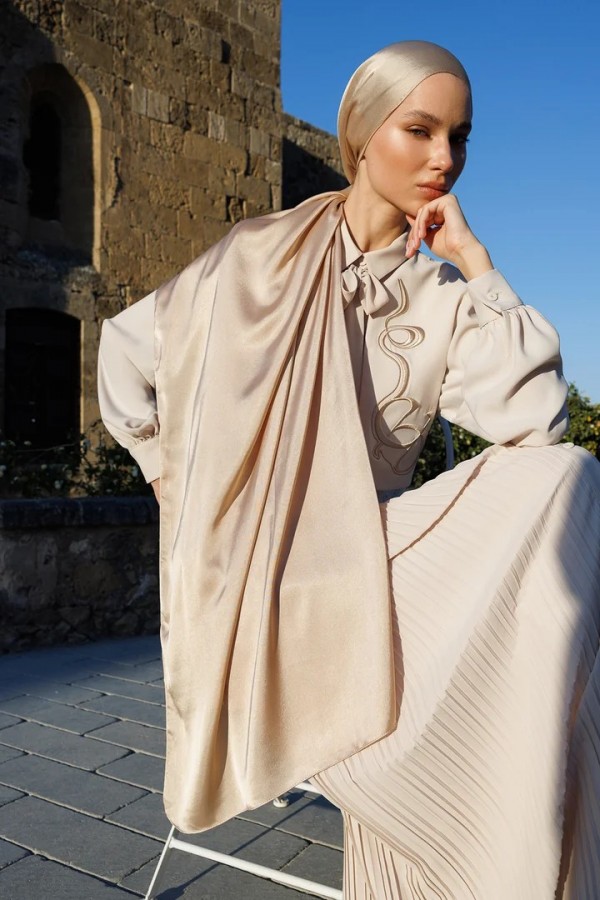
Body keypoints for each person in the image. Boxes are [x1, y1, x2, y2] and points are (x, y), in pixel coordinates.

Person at [98, 41, 600, 899]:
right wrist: (173, 486)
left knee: (569, 480)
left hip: (375, 561)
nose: (445, 158)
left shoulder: (442, 300)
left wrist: (475, 262)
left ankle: (485, 818)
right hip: (258, 572)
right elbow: (124, 352)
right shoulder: (258, 254)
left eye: (460, 138)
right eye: (421, 130)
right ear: (364, 135)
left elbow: (538, 419)